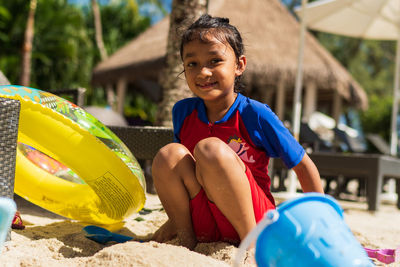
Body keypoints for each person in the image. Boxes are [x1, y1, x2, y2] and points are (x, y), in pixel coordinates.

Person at [151, 14, 323, 250]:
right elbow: (181, 173)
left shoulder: (255, 115)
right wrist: (173, 220)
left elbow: (303, 166)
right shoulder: (183, 112)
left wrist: (323, 224)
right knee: (169, 155)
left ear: (239, 65)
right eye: (192, 64)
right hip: (207, 224)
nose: (203, 72)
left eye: (214, 61)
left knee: (209, 149)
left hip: (254, 222)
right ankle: (186, 242)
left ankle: (251, 247)